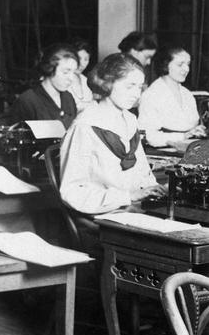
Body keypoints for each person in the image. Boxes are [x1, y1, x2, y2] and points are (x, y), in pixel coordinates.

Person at [60, 53, 164, 215]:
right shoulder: (86, 126)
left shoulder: (130, 120)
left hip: (133, 207)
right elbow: (72, 191)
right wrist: (127, 196)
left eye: (139, 87)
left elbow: (143, 172)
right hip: (102, 213)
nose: (137, 94)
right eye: (130, 86)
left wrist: (154, 188)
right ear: (107, 83)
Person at [138, 46, 204, 150]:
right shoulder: (151, 95)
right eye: (180, 64)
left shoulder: (187, 94)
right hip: (163, 153)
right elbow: (149, 136)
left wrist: (197, 131)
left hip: (190, 149)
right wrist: (183, 136)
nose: (186, 69)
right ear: (165, 65)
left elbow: (191, 125)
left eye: (188, 64)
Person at [5, 43, 80, 129]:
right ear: (49, 68)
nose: (71, 78)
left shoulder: (68, 98)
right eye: (65, 72)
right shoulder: (27, 101)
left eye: (73, 73)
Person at [68, 40, 96, 113]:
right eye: (79, 58)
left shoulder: (86, 80)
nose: (82, 64)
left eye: (86, 59)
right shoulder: (61, 79)